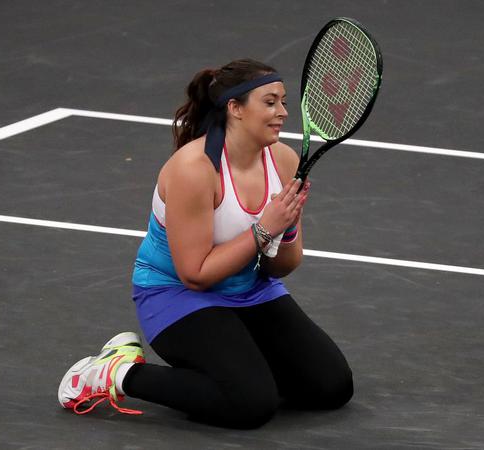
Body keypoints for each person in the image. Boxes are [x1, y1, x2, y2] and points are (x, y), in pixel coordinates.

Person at [58, 59, 353, 429]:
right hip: (177, 297)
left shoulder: (283, 160)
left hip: (251, 291)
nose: (283, 113)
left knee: (331, 387)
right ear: (235, 108)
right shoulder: (193, 170)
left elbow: (282, 266)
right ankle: (115, 373)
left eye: (284, 102)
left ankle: (240, 368)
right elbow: (195, 275)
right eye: (270, 102)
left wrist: (287, 228)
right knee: (250, 405)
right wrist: (264, 229)